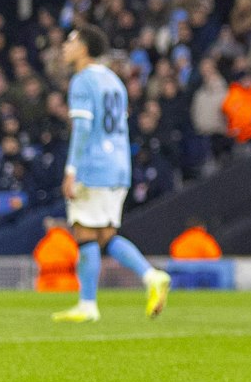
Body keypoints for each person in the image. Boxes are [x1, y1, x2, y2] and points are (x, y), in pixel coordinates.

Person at [53, 25, 172, 322]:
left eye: (71, 41)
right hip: (119, 165)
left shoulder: (82, 81)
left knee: (83, 232)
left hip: (93, 165)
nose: (65, 47)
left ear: (84, 48)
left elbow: (82, 129)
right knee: (105, 234)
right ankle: (150, 276)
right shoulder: (114, 81)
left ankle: (89, 304)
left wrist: (71, 171)